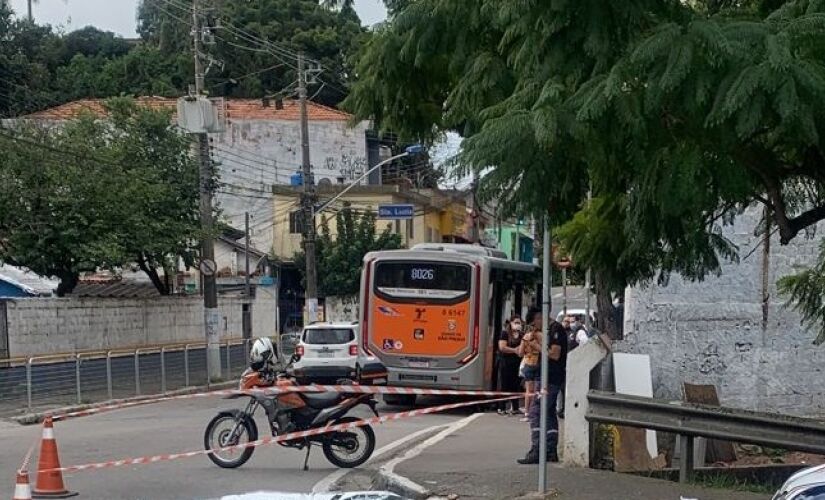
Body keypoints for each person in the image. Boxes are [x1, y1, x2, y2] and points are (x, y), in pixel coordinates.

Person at [517, 308, 568, 465]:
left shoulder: (555, 329)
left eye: (535, 323)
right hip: (545, 376)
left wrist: (537, 346)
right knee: (549, 413)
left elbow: (554, 354)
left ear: (540, 318)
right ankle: (550, 449)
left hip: (550, 378)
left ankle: (537, 449)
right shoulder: (549, 330)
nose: (535, 328)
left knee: (536, 412)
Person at [518, 309, 542, 421]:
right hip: (538, 363)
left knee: (528, 390)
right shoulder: (541, 336)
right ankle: (535, 412)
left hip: (528, 362)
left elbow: (520, 352)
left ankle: (527, 413)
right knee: (538, 389)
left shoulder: (526, 337)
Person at [497, 315, 524, 415]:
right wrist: (514, 350)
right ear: (511, 323)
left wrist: (520, 351)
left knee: (515, 385)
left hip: (517, 363)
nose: (518, 325)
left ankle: (515, 407)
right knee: (504, 385)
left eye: (519, 323)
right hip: (505, 363)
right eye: (516, 322)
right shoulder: (505, 333)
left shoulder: (522, 335)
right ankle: (501, 407)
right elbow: (502, 347)